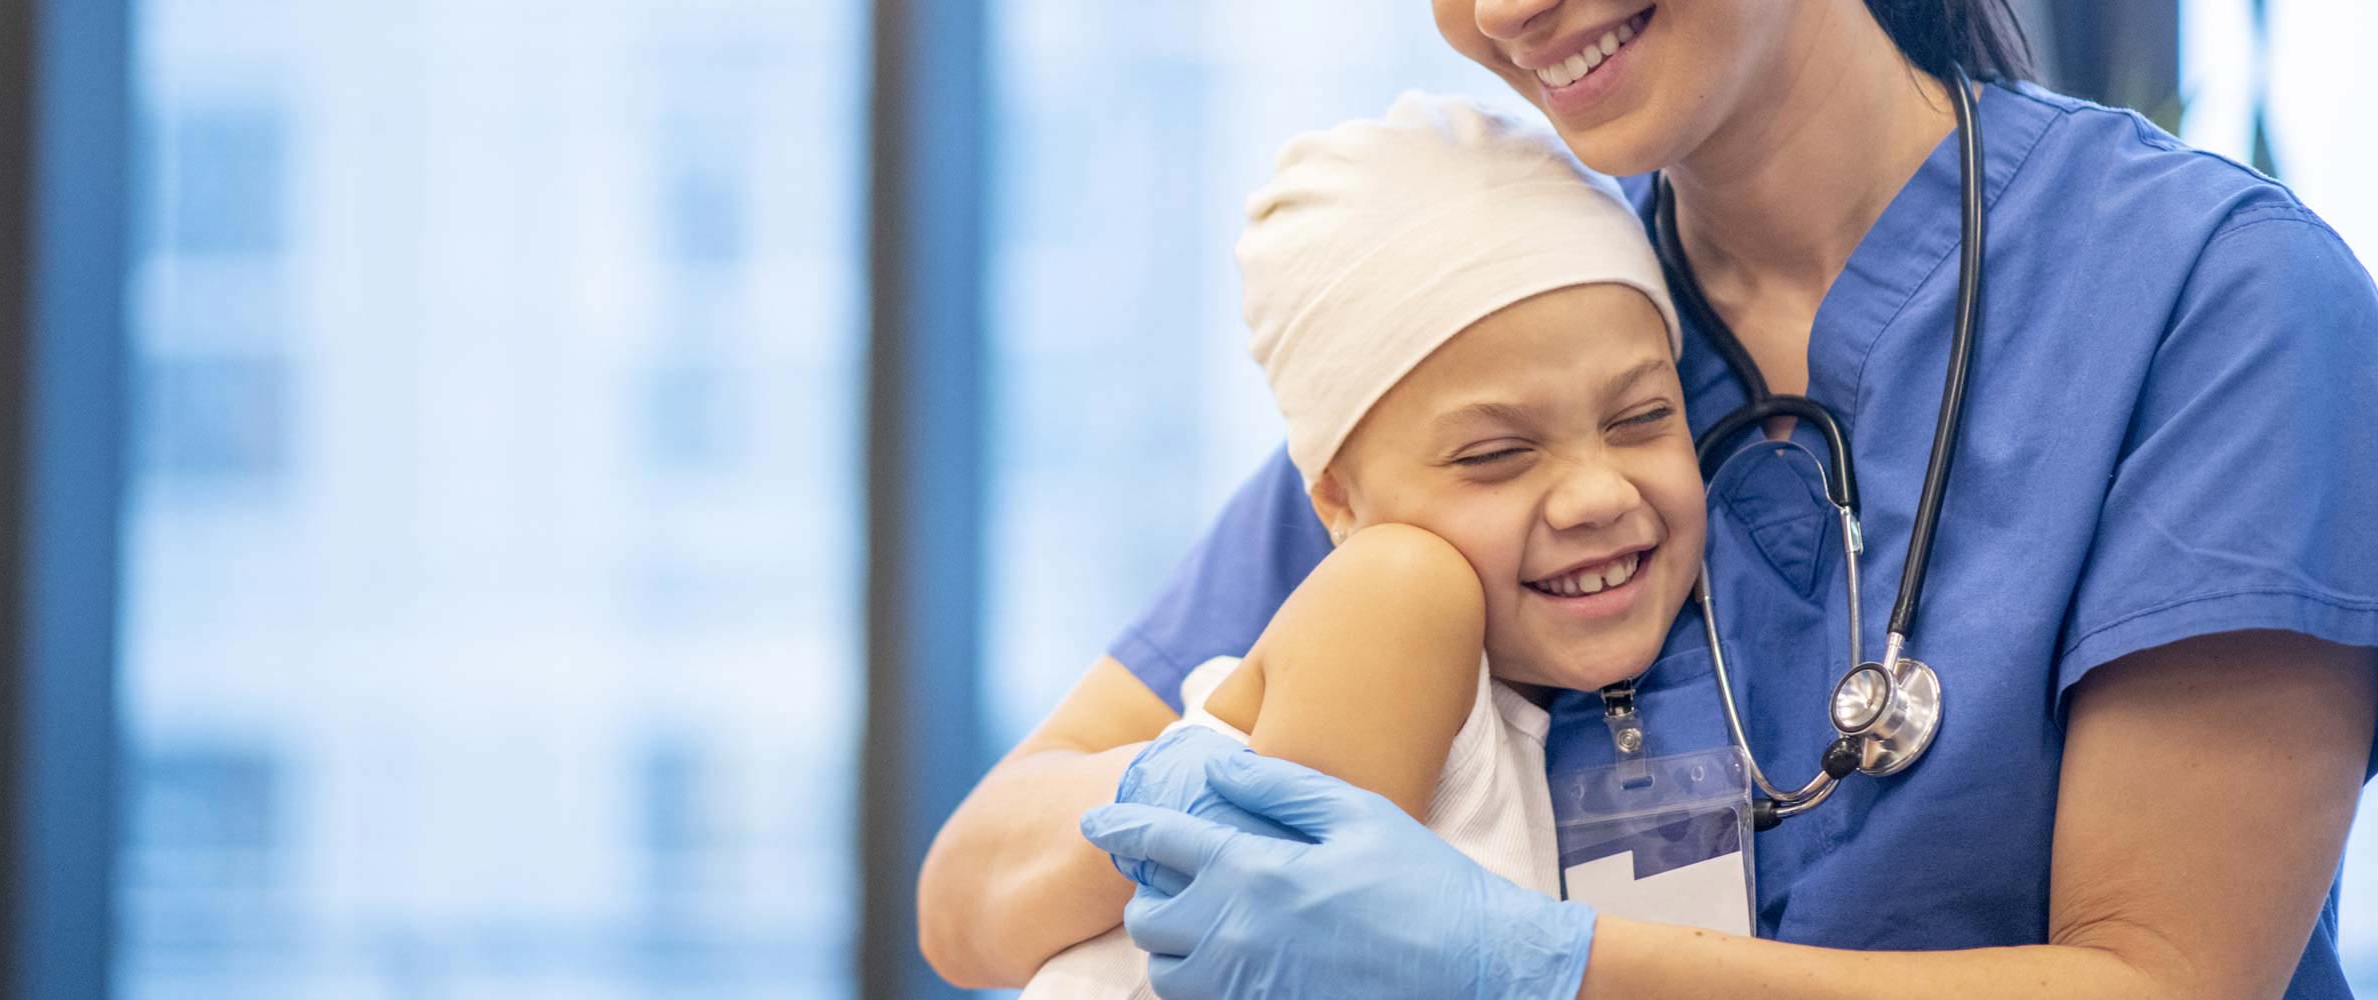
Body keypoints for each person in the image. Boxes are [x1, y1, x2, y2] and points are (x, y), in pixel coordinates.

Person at [921, 0, 2378, 997]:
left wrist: (1530, 964)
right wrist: (1208, 779)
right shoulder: (1512, 324)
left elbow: (2160, 980)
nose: (1503, 5)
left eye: (1641, 422)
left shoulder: (2215, 301)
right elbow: (980, 877)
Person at [1021, 91, 1695, 999]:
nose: (1596, 494)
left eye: (1645, 416)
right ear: (1335, 503)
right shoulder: (1400, 594)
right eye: (1496, 455)